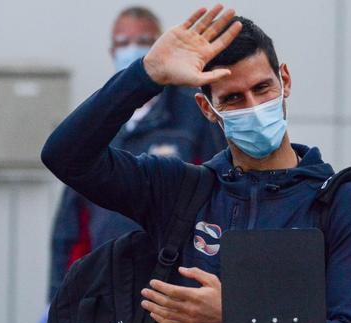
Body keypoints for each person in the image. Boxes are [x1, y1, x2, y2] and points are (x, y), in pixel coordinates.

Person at [41, 5, 351, 323]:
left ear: (284, 80)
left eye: (262, 88)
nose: (253, 106)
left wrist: (234, 317)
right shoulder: (181, 191)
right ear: (207, 109)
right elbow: (66, 156)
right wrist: (145, 75)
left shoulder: (344, 203)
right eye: (233, 98)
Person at [47, 6, 226, 301]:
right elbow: (71, 222)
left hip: (174, 282)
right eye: (122, 42)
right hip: (106, 283)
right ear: (110, 50)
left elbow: (218, 199)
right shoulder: (98, 120)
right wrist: (58, 294)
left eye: (143, 41)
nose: (131, 49)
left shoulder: (194, 115)